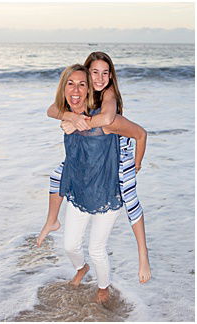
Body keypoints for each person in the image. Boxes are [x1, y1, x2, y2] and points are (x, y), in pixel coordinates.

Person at [36, 52, 151, 286]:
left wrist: (136, 164)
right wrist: (70, 116)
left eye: (105, 73)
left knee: (130, 199)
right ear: (87, 75)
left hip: (120, 157)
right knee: (58, 176)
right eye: (94, 73)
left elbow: (115, 122)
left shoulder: (109, 97)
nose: (99, 78)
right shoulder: (79, 102)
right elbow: (52, 109)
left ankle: (142, 255)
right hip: (88, 164)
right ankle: (53, 221)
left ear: (111, 76)